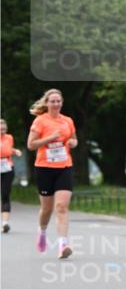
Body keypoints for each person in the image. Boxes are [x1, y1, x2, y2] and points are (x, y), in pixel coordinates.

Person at [27, 89, 77, 259]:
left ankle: (63, 244)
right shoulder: (40, 121)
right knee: (47, 209)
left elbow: (74, 139)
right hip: (44, 168)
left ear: (61, 103)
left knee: (61, 207)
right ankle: (42, 231)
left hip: (64, 167)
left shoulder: (68, 121)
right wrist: (50, 138)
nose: (56, 104)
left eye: (58, 101)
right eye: (52, 101)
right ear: (47, 103)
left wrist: (72, 142)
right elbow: (31, 145)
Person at [0, 119, 22, 233]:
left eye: (4, 129)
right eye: (0, 130)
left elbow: (8, 149)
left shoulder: (9, 137)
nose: (3, 131)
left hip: (7, 167)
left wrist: (15, 151)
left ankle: (5, 223)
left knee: (5, 194)